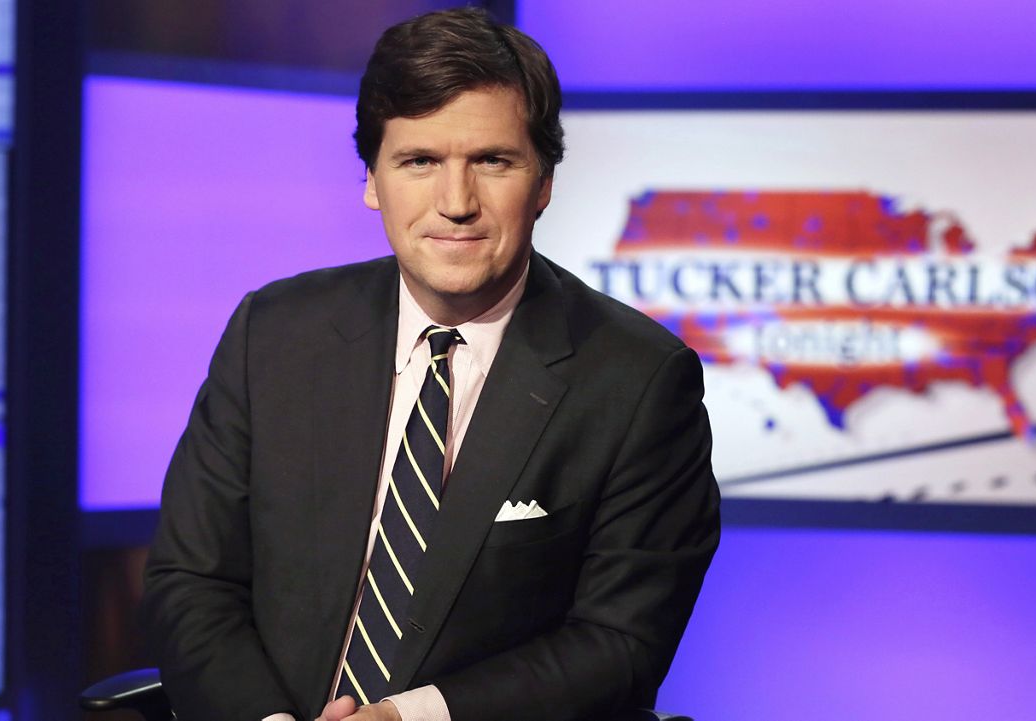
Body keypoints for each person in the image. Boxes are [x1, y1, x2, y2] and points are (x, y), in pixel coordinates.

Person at [140, 8, 720, 721]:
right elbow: (191, 580)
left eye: (492, 161)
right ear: (372, 181)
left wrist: (407, 717)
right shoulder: (274, 333)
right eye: (420, 162)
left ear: (543, 182)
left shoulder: (637, 381)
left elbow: (619, 641)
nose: (456, 204)